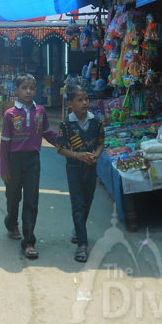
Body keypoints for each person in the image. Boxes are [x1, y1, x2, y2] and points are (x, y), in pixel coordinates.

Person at [0, 74, 58, 259]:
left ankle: (29, 241)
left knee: (31, 200)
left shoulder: (40, 111)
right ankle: (11, 222)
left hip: (33, 160)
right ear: (16, 90)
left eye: (32, 88)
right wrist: (4, 168)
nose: (28, 91)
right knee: (13, 197)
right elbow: (4, 143)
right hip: (14, 161)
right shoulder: (10, 114)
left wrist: (63, 143)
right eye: (24, 88)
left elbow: (47, 132)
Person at [56, 84, 105, 262]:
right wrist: (78, 155)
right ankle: (82, 244)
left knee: (87, 201)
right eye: (80, 100)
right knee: (78, 204)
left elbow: (101, 142)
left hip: (90, 167)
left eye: (86, 99)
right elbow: (60, 148)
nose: (85, 103)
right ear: (70, 103)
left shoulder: (96, 122)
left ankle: (78, 230)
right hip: (74, 168)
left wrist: (96, 155)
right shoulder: (66, 124)